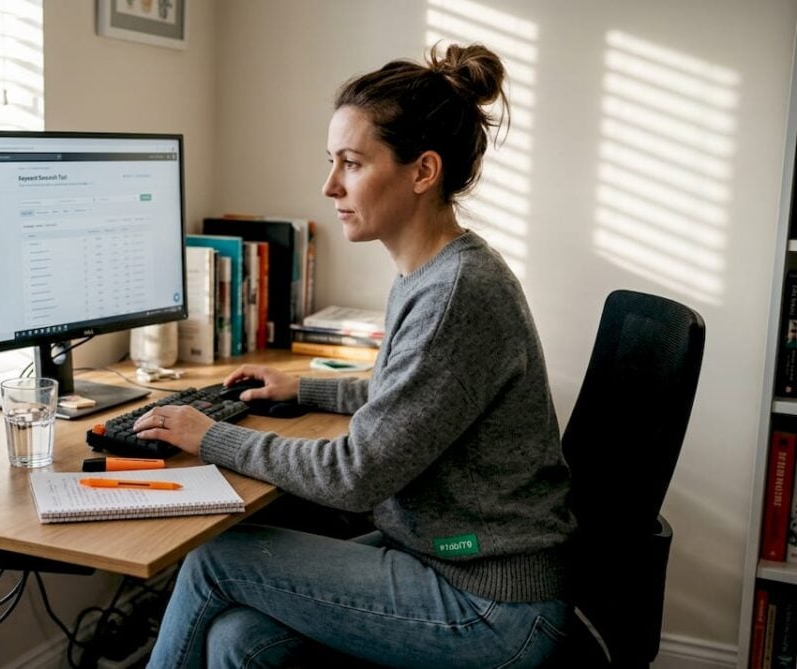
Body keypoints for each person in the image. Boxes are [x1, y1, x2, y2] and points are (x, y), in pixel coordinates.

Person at [132, 42, 575, 669]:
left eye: (352, 163)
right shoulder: (433, 272)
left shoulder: (455, 293)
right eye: (331, 162)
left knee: (214, 560)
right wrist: (304, 389)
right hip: (445, 559)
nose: (330, 185)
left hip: (491, 604)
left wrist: (209, 436)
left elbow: (354, 475)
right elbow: (414, 404)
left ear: (422, 172)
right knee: (240, 640)